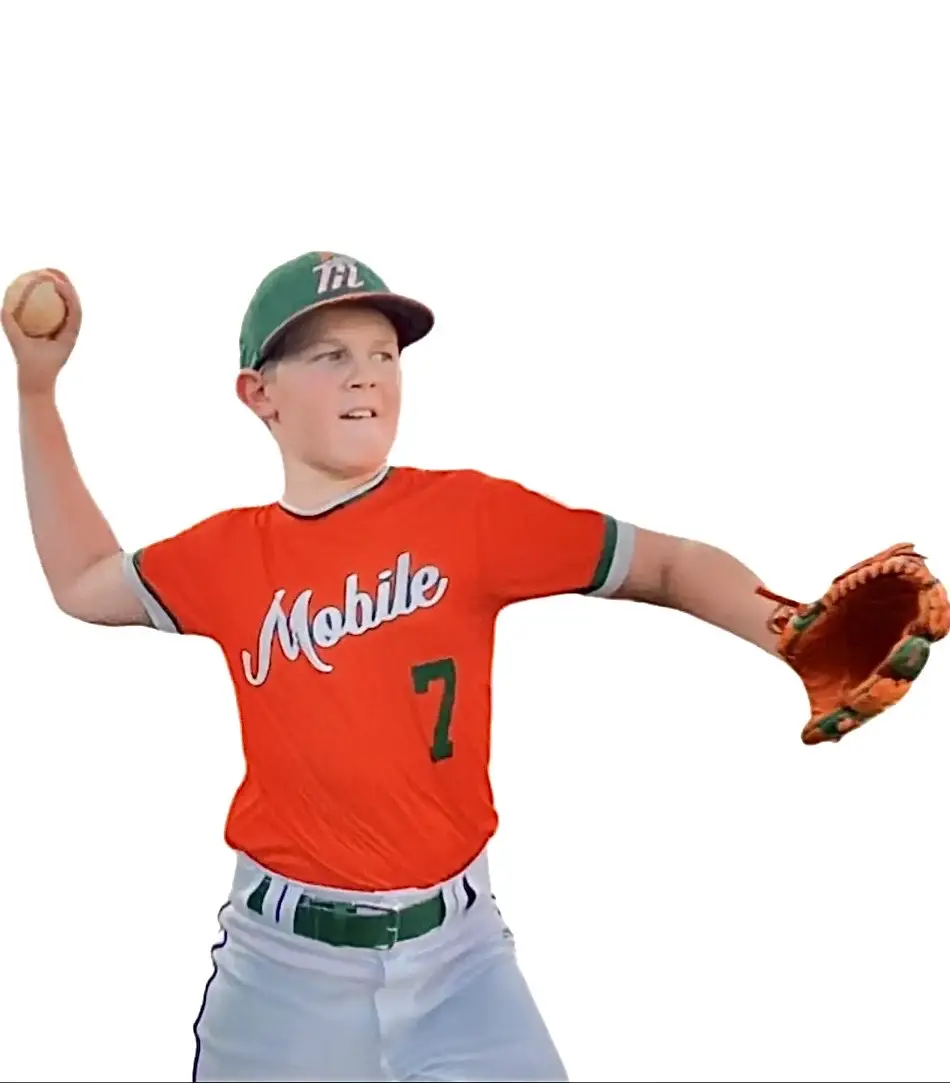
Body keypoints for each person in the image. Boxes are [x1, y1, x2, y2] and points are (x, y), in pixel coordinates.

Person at [5, 252, 787, 1082]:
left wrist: (788, 627)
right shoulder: (227, 556)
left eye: (384, 353)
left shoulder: (470, 516)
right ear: (259, 394)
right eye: (330, 354)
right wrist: (35, 392)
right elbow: (82, 580)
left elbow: (667, 564)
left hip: (463, 962)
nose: (366, 374)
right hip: (282, 971)